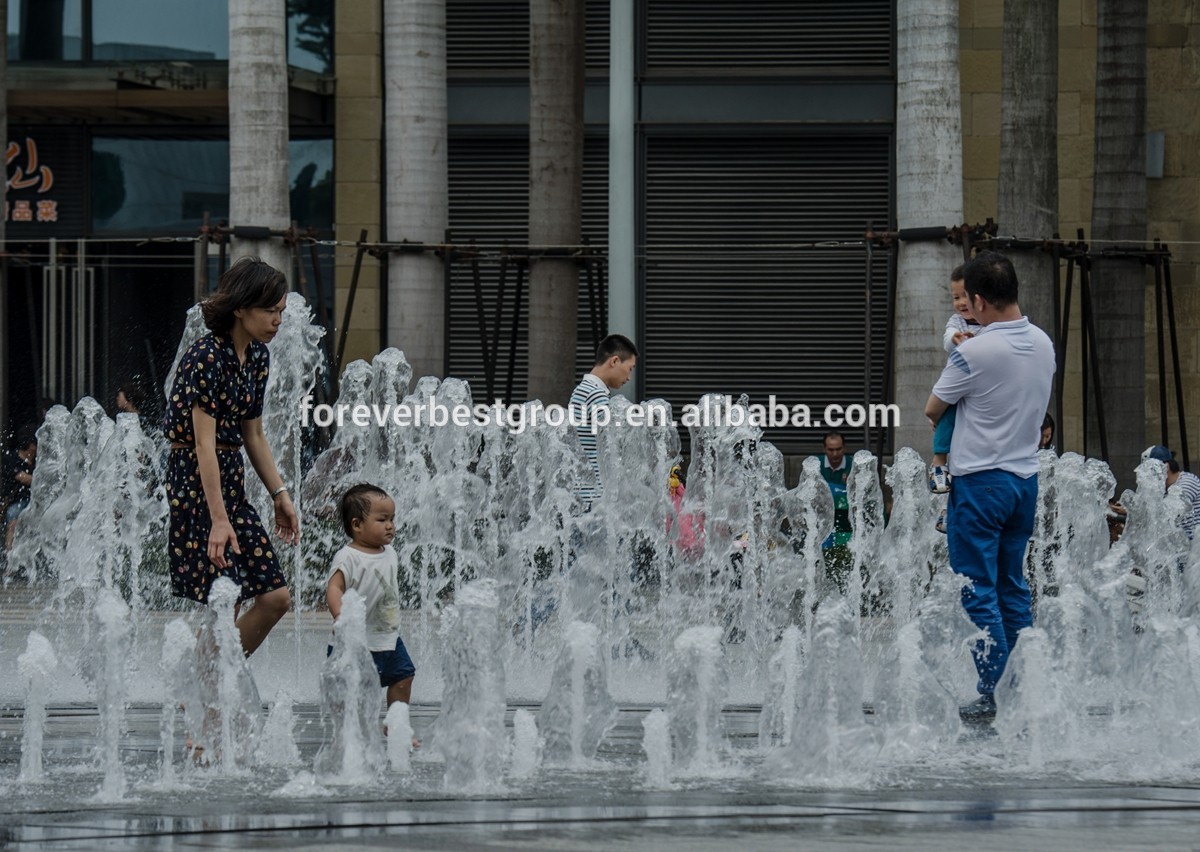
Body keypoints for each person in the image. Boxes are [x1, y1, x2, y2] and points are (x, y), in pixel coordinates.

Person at [924, 250, 1054, 723]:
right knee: (1012, 588)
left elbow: (933, 409)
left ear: (978, 301)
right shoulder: (1042, 342)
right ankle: (1022, 687)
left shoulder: (973, 352)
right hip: (1024, 482)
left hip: (980, 484)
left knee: (977, 588)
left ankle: (991, 694)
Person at [162, 256, 299, 657]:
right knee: (227, 597)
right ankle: (209, 691)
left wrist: (280, 494)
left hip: (230, 482)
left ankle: (208, 681)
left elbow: (253, 433)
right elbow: (203, 445)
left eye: (281, 312)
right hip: (196, 482)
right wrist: (218, 521)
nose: (278, 321)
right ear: (240, 307)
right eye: (270, 311)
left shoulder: (257, 357)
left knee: (275, 598)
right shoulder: (207, 356)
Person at [326, 482, 419, 746]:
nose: (390, 525)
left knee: (404, 676)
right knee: (351, 689)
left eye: (392, 519)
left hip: (387, 636)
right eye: (382, 519)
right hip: (355, 638)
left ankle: (396, 724)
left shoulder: (389, 552)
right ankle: (348, 733)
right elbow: (335, 587)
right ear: (357, 525)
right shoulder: (348, 557)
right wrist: (340, 616)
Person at [569, 334, 638, 508]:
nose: (629, 377)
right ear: (614, 361)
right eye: (630, 368)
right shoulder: (594, 394)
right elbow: (615, 441)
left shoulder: (583, 390)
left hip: (583, 492)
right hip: (595, 496)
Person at [929, 265, 981, 495]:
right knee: (945, 420)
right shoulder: (957, 322)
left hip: (979, 393)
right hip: (958, 388)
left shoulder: (991, 324)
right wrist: (955, 338)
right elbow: (947, 339)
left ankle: (951, 509)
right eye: (956, 297)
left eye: (966, 297)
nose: (961, 303)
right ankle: (939, 463)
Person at [819, 431, 853, 587]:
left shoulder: (853, 465)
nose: (835, 453)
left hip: (846, 523)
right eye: (831, 450)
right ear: (824, 449)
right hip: (823, 522)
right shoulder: (816, 465)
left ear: (844, 448)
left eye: (838, 449)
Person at [1146, 445, 1200, 540]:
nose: (1148, 475)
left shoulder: (1188, 481)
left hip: (1193, 547)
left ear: (1166, 467)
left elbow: (1168, 512)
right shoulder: (1164, 489)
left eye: (1151, 469)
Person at [4, 424, 37, 553]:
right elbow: (22, 477)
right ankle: (9, 557)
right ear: (31, 445)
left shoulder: (38, 461)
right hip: (18, 502)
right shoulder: (11, 459)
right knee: (13, 519)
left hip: (36, 501)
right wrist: (42, 479)